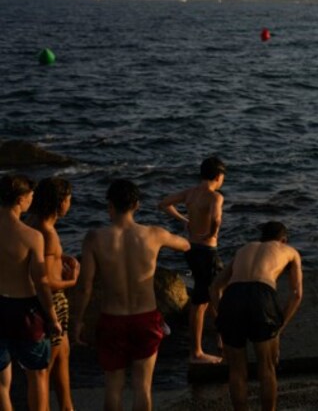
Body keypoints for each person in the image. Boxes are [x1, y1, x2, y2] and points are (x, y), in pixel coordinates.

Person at [73, 179, 190, 411]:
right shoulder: (154, 234)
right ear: (136, 205)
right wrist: (187, 224)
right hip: (145, 318)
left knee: (113, 387)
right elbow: (186, 245)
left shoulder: (94, 238)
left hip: (112, 320)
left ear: (110, 206)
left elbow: (85, 286)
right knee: (142, 388)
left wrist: (77, 321)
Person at [210, 221, 303, 411]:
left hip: (232, 297)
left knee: (236, 370)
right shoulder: (290, 251)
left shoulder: (244, 249)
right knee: (267, 367)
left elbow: (214, 288)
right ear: (283, 240)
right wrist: (279, 326)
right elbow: (296, 294)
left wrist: (223, 315)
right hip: (261, 297)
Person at [0, 174, 61, 411]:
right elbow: (42, 282)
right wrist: (53, 318)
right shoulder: (32, 237)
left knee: (2, 381)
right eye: (30, 197)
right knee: (36, 375)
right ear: (20, 199)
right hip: (25, 311)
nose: (31, 201)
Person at [158, 157, 225, 364]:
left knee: (209, 291)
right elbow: (216, 218)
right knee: (201, 302)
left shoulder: (191, 193)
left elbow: (163, 204)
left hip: (191, 249)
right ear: (218, 177)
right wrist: (212, 233)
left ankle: (220, 336)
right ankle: (196, 352)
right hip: (207, 251)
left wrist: (184, 220)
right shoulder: (215, 197)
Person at [28, 177, 80, 411]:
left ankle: (67, 407)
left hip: (34, 303)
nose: (70, 204)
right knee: (45, 370)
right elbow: (47, 282)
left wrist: (61, 258)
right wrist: (72, 280)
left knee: (62, 357)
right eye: (68, 199)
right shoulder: (47, 232)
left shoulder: (31, 222)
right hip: (52, 305)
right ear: (60, 203)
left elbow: (42, 264)